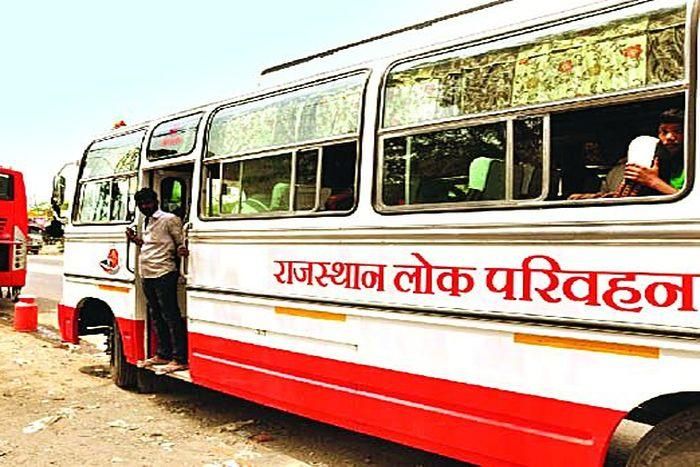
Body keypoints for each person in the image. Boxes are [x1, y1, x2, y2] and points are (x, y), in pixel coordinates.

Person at [126, 187, 189, 374]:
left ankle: (180, 358)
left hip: (164, 272)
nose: (145, 207)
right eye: (141, 204)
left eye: (148, 203)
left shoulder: (169, 219)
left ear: (156, 202)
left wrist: (182, 252)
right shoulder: (146, 221)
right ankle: (163, 354)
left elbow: (181, 243)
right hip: (147, 274)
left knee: (170, 315)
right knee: (156, 315)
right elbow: (151, 245)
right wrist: (135, 240)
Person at [569, 108, 684, 199]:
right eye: (664, 132)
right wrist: (595, 197)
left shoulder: (689, 166)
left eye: (678, 131)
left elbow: (689, 203)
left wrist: (652, 181)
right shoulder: (657, 163)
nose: (669, 137)